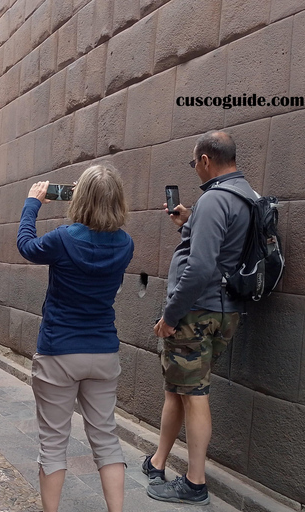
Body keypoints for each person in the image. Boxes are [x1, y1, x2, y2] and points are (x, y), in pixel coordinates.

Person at [145, 130, 255, 505]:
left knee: (193, 393)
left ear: (206, 160)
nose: (195, 170)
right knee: (179, 387)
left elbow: (201, 266)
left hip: (197, 311)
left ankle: (194, 483)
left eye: (195, 164)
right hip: (226, 310)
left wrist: (171, 315)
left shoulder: (214, 199)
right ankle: (158, 462)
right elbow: (223, 248)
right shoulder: (246, 196)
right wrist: (188, 222)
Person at [17, 164, 134, 512]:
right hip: (103, 352)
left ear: (78, 197)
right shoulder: (125, 245)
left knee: (53, 443)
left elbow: (25, 245)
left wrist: (32, 203)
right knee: (106, 440)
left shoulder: (62, 239)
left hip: (59, 351)